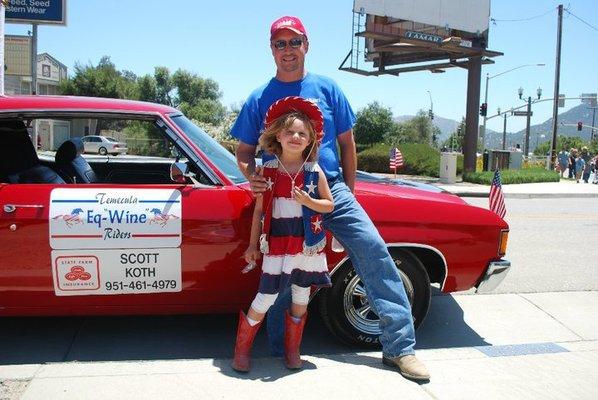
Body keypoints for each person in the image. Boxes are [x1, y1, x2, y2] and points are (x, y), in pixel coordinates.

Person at [230, 15, 430, 381]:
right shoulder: (258, 97)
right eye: (280, 43)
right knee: (284, 271)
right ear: (271, 49)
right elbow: (243, 151)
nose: (287, 50)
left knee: (374, 252)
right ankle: (282, 352)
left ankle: (400, 349)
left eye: (294, 42)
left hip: (330, 188)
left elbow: (347, 145)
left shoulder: (328, 88)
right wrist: (252, 176)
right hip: (280, 194)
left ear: (306, 45)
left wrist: (347, 196)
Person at [232, 96, 334, 372]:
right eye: (290, 131)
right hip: (277, 244)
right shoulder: (269, 171)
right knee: (266, 296)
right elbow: (259, 212)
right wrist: (253, 245)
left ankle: (292, 351)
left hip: (305, 246)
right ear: (278, 134)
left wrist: (308, 202)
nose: (296, 137)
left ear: (310, 140)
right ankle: (242, 351)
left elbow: (329, 204)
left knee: (300, 296)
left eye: (302, 133)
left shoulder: (314, 172)